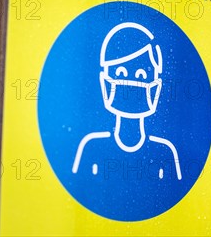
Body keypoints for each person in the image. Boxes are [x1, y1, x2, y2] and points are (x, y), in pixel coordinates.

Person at [72, 22, 182, 181]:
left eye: (142, 76)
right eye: (121, 74)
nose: (131, 85)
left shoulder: (165, 154)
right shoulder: (92, 149)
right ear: (104, 82)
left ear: (156, 88)